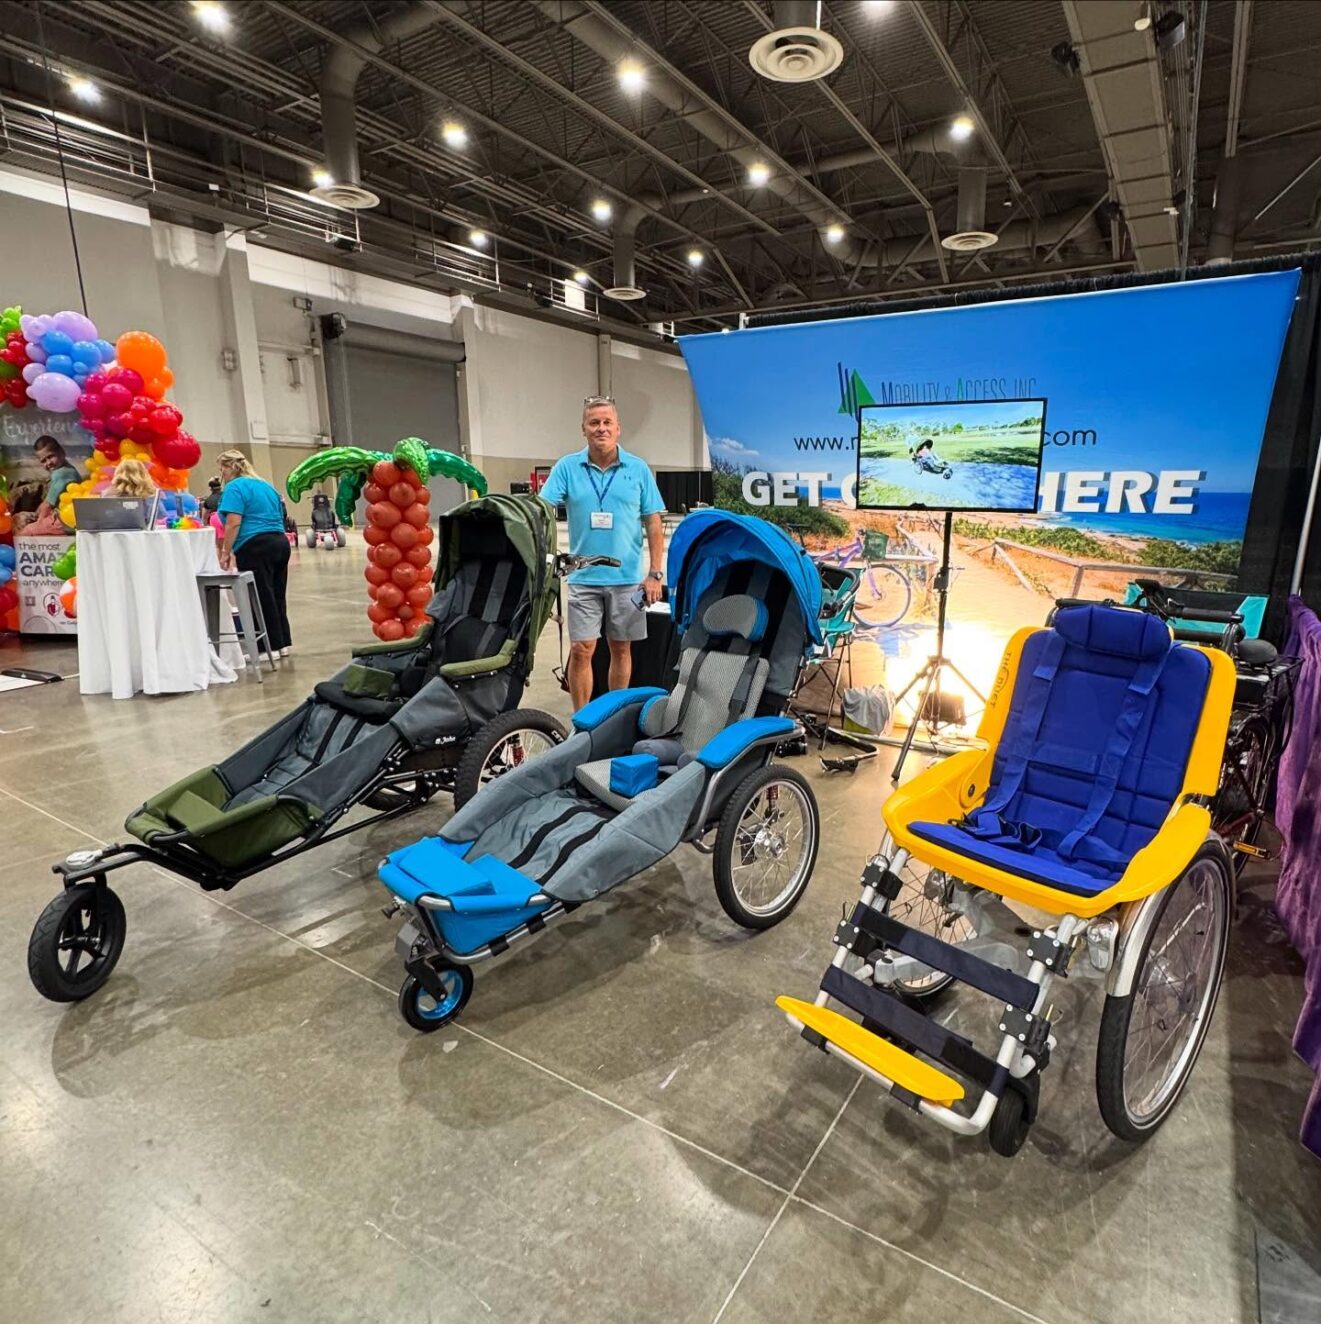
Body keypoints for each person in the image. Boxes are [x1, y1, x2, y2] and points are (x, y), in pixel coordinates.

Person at [540, 395, 665, 711]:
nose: (601, 428)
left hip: (626, 579)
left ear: (618, 428)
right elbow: (541, 510)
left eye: (607, 422)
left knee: (621, 648)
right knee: (581, 649)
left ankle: (612, 715)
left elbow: (653, 522)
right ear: (583, 428)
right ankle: (581, 720)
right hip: (583, 578)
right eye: (594, 422)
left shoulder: (638, 469)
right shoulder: (567, 468)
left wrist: (655, 573)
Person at [215, 448, 293, 658]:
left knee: (258, 596)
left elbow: (233, 523)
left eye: (222, 468)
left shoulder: (235, 487)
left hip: (255, 544)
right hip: (279, 542)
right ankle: (282, 643)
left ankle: (266, 648)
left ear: (231, 467)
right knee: (276, 593)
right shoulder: (265, 485)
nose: (221, 473)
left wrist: (226, 551)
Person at [18, 435, 83, 534]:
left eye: (51, 456)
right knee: (19, 520)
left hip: (64, 520)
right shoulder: (65, 468)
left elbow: (48, 505)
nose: (48, 463)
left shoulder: (62, 473)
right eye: (43, 461)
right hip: (64, 515)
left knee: (27, 531)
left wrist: (38, 523)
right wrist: (37, 513)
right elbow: (48, 500)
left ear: (62, 452)